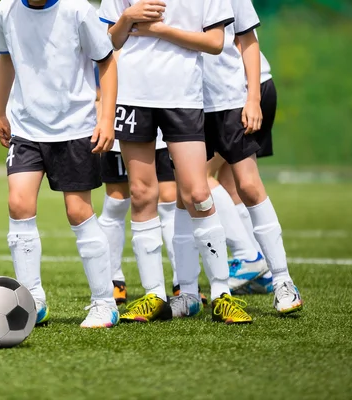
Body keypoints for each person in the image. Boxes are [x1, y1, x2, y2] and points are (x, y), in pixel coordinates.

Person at [99, 0, 253, 324]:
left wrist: (159, 30)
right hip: (132, 98)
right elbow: (109, 41)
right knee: (142, 194)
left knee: (198, 193)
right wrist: (127, 18)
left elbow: (216, 42)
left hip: (183, 98)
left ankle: (221, 293)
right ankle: (154, 293)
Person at [0, 0, 120, 328]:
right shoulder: (4, 11)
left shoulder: (78, 11)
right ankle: (32, 299)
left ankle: (105, 303)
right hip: (26, 126)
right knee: (18, 203)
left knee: (78, 211)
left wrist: (106, 119)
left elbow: (107, 62)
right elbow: (6, 58)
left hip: (74, 127)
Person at [201, 0, 302, 314]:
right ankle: (262, 271)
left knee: (226, 182)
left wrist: (252, 98)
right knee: (229, 186)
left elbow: (248, 38)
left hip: (238, 94)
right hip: (198, 100)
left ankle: (269, 271)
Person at [210, 44, 277, 295]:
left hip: (243, 91)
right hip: (257, 85)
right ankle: (265, 273)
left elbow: (239, 40)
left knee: (196, 177)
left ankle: (248, 257)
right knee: (231, 185)